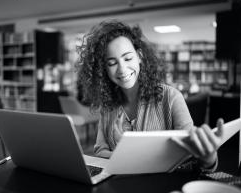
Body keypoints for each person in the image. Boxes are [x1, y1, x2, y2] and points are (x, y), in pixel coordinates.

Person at [76, 20, 224, 172]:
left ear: (139, 56)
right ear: (104, 69)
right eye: (112, 63)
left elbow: (192, 157)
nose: (122, 69)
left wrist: (209, 159)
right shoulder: (107, 106)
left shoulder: (171, 97)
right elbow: (99, 152)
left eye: (128, 58)